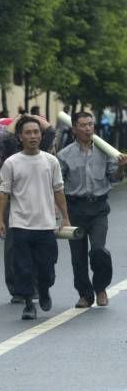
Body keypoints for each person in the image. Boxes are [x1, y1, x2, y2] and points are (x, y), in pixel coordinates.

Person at [0, 116, 70, 320]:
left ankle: (44, 290)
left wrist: (65, 218)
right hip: (20, 225)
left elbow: (59, 191)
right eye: (28, 133)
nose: (33, 136)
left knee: (47, 267)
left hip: (45, 224)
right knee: (23, 267)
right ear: (20, 137)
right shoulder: (11, 163)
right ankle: (29, 303)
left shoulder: (51, 161)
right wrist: (0, 220)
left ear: (41, 135)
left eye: (36, 132)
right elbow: (3, 193)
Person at [57, 112, 127, 308]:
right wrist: (62, 214)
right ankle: (85, 295)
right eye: (83, 125)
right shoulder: (64, 155)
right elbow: (58, 186)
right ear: (74, 129)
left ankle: (101, 287)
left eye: (90, 124)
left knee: (98, 251)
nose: (88, 128)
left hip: (98, 209)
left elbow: (114, 178)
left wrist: (122, 167)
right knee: (77, 256)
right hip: (75, 208)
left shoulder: (105, 151)